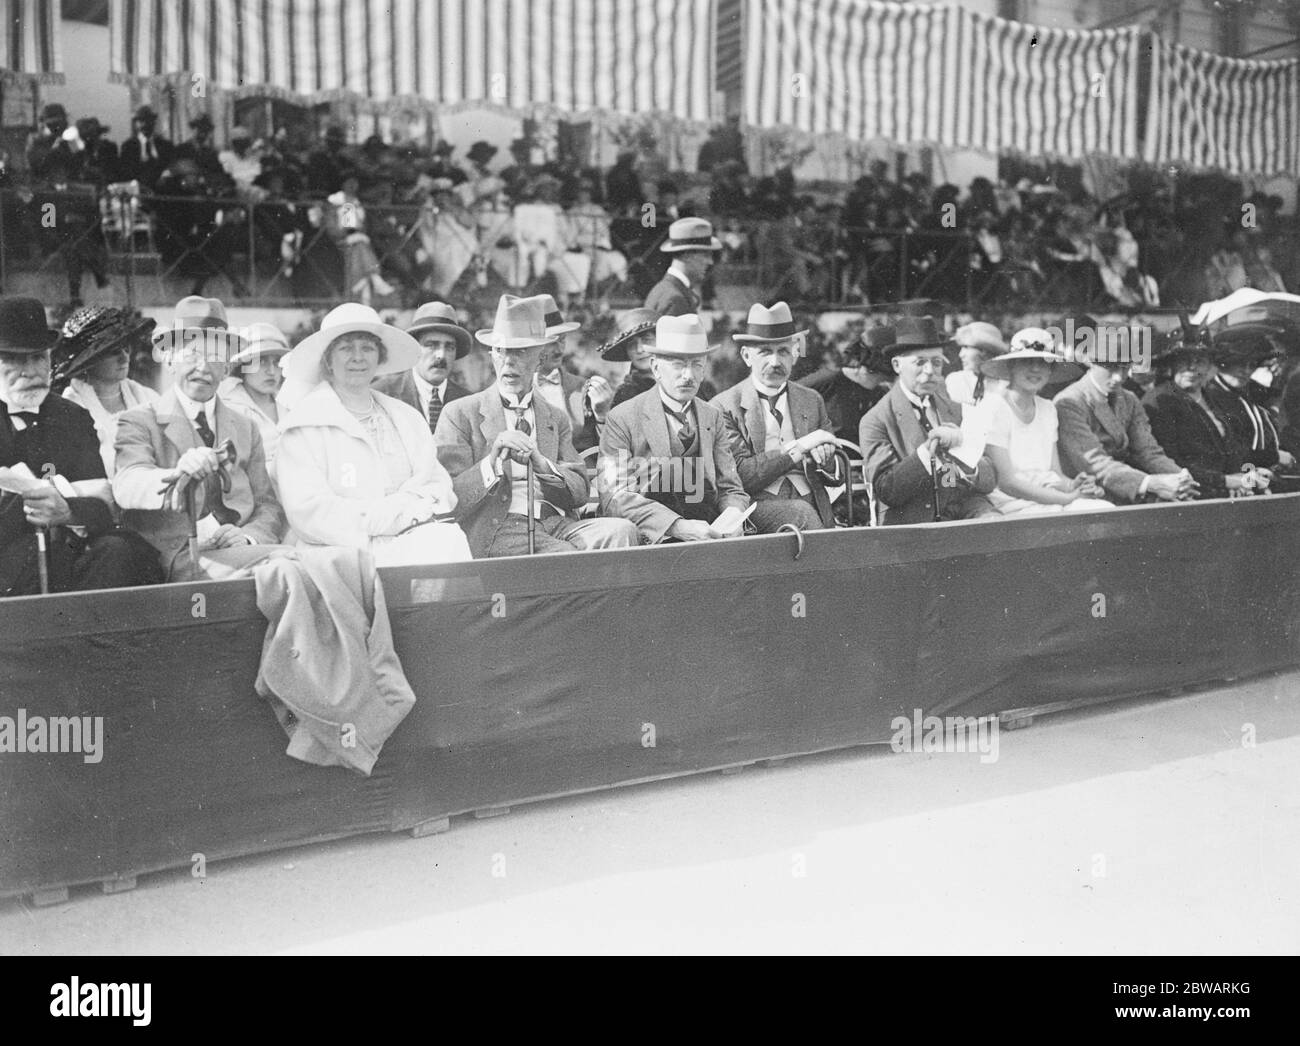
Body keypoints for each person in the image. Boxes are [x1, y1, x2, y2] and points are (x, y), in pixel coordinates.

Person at [435, 294, 636, 557]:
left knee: (622, 532)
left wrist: (544, 466)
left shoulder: (554, 417)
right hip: (500, 528)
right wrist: (491, 462)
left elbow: (579, 492)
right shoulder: (460, 413)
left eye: (519, 352)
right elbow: (447, 498)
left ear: (540, 357)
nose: (508, 362)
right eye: (501, 351)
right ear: (492, 355)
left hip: (555, 524)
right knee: (568, 556)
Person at [277, 303, 472, 565]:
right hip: (339, 554)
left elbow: (438, 486)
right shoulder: (304, 425)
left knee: (449, 541)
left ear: (379, 358)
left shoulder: (406, 418)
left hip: (413, 540)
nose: (358, 357)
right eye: (346, 348)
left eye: (367, 348)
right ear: (328, 359)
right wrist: (388, 517)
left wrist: (410, 513)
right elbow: (308, 512)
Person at [113, 296, 288, 581]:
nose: (204, 367)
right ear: (169, 360)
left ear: (227, 367)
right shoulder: (139, 420)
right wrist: (177, 474)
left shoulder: (246, 427)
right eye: (192, 354)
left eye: (215, 356)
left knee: (331, 566)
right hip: (185, 555)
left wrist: (248, 537)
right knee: (290, 572)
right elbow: (127, 484)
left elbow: (267, 505)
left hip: (247, 553)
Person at [1, 297, 161, 597]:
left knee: (119, 551)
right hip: (9, 561)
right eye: (16, 360)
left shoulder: (70, 416)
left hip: (68, 555)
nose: (30, 371)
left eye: (38, 358)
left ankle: (85, 643)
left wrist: (66, 511)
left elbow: (102, 505)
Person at [599, 313, 749, 543]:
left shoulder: (712, 416)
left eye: (696, 364)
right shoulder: (622, 417)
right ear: (656, 367)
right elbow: (616, 497)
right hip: (652, 540)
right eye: (678, 365)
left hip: (709, 535)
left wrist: (733, 514)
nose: (688, 376)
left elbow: (731, 487)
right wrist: (676, 526)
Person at [711, 302, 843, 532]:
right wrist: (800, 447)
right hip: (757, 507)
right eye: (764, 352)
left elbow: (837, 475)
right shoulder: (724, 406)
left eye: (783, 351)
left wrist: (828, 459)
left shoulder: (811, 400)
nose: (775, 362)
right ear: (746, 356)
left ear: (794, 354)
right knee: (802, 514)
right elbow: (741, 475)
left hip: (814, 501)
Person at [858, 317, 998, 524]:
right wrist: (928, 450)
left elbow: (989, 478)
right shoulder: (876, 419)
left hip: (964, 508)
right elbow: (887, 490)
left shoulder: (955, 409)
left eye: (937, 362)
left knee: (999, 528)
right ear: (897, 365)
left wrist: (968, 464)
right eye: (920, 362)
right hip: (914, 519)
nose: (930, 371)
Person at [976, 329, 1113, 515]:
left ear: (1051, 370)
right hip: (1012, 503)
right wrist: (1069, 498)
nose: (1035, 369)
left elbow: (1055, 473)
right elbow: (1007, 482)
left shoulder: (1047, 408)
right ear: (1012, 366)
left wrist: (1076, 485)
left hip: (1051, 498)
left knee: (1105, 510)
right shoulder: (993, 407)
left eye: (1043, 363)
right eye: (1026, 361)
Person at [1054, 351, 1194, 505]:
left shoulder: (1129, 399)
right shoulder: (1069, 402)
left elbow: (1148, 451)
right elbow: (1094, 464)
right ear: (1090, 362)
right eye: (1111, 368)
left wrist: (1179, 476)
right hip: (1092, 494)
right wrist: (1151, 483)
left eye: (1125, 368)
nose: (1118, 377)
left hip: (1132, 488)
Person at [1142, 334, 1269, 500]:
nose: (1192, 367)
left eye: (1200, 361)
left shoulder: (1213, 396)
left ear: (1210, 365)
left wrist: (1249, 473)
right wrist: (1227, 481)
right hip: (1189, 494)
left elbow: (1237, 449)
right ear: (1172, 363)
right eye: (1185, 360)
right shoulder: (1159, 401)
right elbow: (1170, 461)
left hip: (1229, 490)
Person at [55, 306, 160, 477]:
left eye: (126, 348)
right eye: (112, 352)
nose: (124, 357)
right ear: (88, 361)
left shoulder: (148, 398)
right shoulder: (69, 409)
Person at [372, 302, 472, 432]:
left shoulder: (467, 403)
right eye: (431, 345)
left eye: (449, 347)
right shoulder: (381, 395)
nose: (441, 355)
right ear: (414, 349)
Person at [1203, 332, 1293, 474]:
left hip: (1263, 472)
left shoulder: (1246, 389)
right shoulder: (1212, 397)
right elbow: (1232, 449)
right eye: (1238, 363)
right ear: (1223, 363)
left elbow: (1275, 397)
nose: (1246, 371)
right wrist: (1275, 457)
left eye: (1251, 365)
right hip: (1240, 477)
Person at [530, 294, 607, 453]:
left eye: (562, 340)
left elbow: (601, 446)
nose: (559, 349)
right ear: (531, 345)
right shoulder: (515, 390)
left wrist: (602, 417)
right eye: (551, 343)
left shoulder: (583, 388)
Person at [218, 323, 291, 474]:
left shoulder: (290, 403)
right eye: (261, 361)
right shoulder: (230, 408)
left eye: (276, 362)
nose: (271, 371)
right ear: (243, 366)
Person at [644, 218, 722, 317]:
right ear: (687, 255)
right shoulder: (674, 298)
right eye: (705, 255)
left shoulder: (666, 289)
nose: (710, 261)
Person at [600, 307, 659, 408]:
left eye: (647, 339)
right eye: (632, 344)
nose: (639, 350)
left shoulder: (680, 378)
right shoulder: (626, 394)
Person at [945, 321, 1007, 407]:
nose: (961, 354)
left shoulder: (1004, 384)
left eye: (966, 347)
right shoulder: (956, 380)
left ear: (984, 351)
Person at [117, 105, 174, 190]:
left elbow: (172, 165)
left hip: (163, 190)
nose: (145, 124)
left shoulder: (165, 145)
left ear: (154, 122)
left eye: (148, 120)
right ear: (136, 124)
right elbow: (125, 171)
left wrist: (166, 174)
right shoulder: (128, 146)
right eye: (141, 121)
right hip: (139, 191)